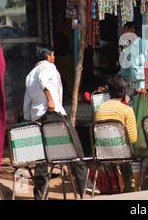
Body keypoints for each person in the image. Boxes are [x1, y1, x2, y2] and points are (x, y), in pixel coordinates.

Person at [23, 44, 94, 199]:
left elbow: (27, 101)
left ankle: (40, 194)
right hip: (53, 114)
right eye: (53, 55)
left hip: (38, 118)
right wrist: (50, 101)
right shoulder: (48, 67)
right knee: (75, 148)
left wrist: (29, 117)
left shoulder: (30, 74)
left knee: (43, 157)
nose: (54, 58)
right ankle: (85, 185)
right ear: (48, 56)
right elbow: (44, 82)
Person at [94, 74, 137, 192]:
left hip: (103, 153)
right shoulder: (127, 110)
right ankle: (130, 190)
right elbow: (132, 139)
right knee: (128, 154)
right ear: (124, 92)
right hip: (121, 152)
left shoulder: (99, 109)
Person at [118, 22, 148, 95]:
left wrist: (147, 87)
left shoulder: (145, 44)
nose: (122, 33)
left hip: (146, 91)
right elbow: (124, 72)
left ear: (132, 30)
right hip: (134, 92)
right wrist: (109, 85)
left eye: (124, 30)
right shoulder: (128, 50)